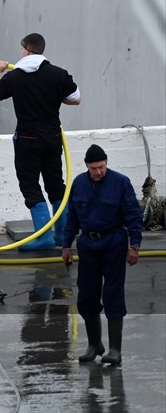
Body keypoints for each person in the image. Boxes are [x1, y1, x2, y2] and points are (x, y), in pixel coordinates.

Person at [0, 33, 81, 249]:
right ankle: (62, 237)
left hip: (28, 140)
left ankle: (43, 237)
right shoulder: (58, 74)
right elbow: (76, 99)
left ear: (26, 49)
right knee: (56, 184)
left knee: (30, 185)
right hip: (53, 138)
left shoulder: (15, 76)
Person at [61, 144, 143, 366]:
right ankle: (94, 344)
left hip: (114, 243)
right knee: (87, 295)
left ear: (107, 164)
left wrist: (134, 246)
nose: (99, 171)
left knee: (112, 294)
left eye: (102, 167)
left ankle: (115, 350)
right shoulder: (78, 183)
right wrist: (66, 245)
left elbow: (134, 216)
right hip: (88, 245)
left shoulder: (120, 183)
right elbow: (72, 218)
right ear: (87, 166)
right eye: (95, 168)